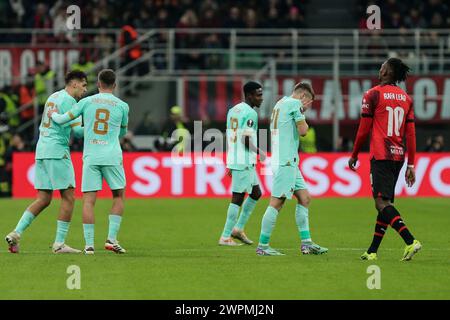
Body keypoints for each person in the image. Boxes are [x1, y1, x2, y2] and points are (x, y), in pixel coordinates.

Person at [4, 70, 87, 254]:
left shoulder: (53, 97)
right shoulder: (70, 101)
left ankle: (16, 233)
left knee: (43, 198)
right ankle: (59, 244)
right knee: (68, 197)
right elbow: (79, 132)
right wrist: (98, 127)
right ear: (74, 83)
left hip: (41, 150)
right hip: (57, 150)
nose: (85, 89)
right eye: (83, 84)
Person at [48, 69, 129, 255]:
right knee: (118, 196)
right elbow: (123, 133)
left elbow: (61, 120)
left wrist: (52, 114)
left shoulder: (86, 102)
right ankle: (111, 238)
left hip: (91, 156)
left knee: (88, 201)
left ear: (98, 84)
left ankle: (89, 245)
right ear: (114, 85)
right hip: (112, 156)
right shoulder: (123, 106)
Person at [348, 57, 421, 261]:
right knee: (385, 203)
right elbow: (411, 135)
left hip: (381, 155)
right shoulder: (406, 98)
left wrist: (354, 154)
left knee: (381, 203)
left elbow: (363, 130)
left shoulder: (372, 94)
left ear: (388, 72)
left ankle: (410, 241)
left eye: (383, 66)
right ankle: (372, 251)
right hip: (398, 157)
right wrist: (412, 164)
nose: (380, 68)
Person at [256, 83, 328, 256]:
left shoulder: (280, 103)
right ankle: (262, 246)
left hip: (287, 160)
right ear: (303, 97)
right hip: (285, 161)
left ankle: (306, 244)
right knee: (277, 202)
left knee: (304, 198)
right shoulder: (295, 104)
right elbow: (303, 131)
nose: (307, 107)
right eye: (309, 103)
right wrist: (301, 114)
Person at [219, 81, 265, 246]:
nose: (262, 98)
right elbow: (245, 139)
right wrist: (258, 151)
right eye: (259, 95)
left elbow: (231, 135)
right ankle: (225, 236)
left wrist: (230, 160)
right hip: (243, 160)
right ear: (250, 95)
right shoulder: (250, 113)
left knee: (256, 193)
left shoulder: (234, 110)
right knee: (237, 197)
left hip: (237, 158)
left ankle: (238, 229)